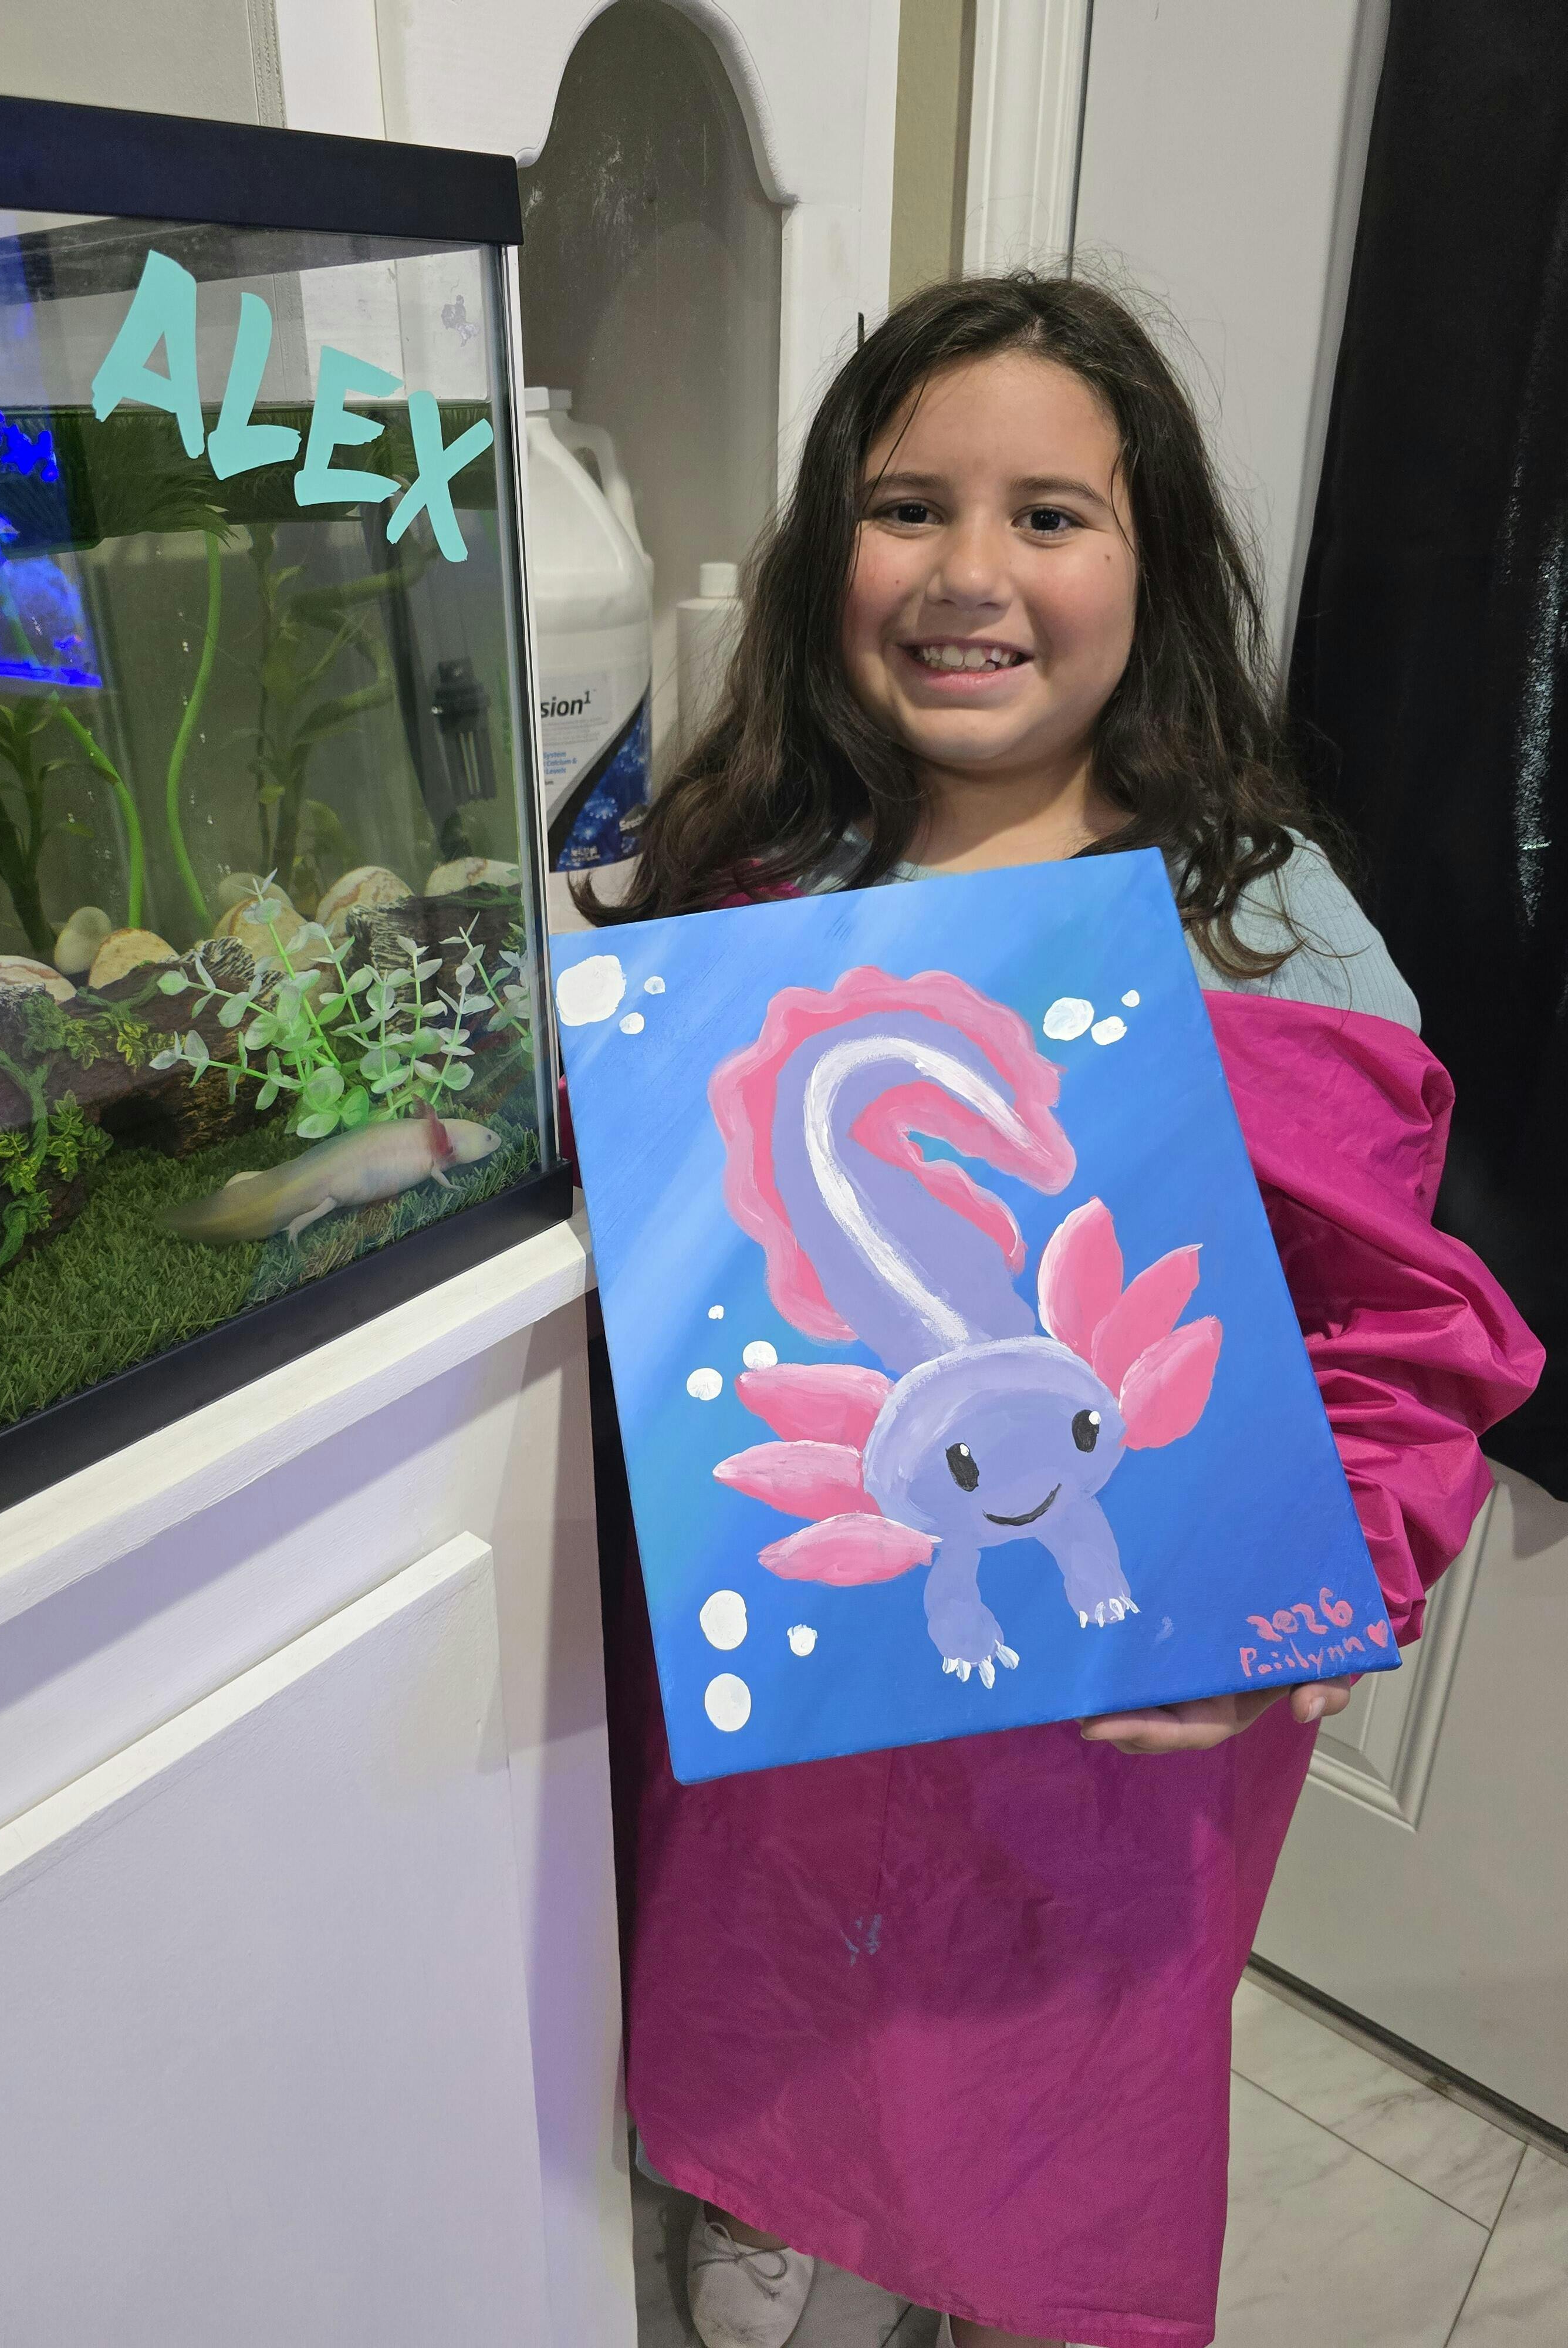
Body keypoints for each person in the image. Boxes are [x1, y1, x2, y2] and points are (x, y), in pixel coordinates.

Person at [573, 275, 1542, 2348]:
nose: (969, 572)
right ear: (831, 548)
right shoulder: (761, 875)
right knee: (773, 2068)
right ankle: (767, 2214)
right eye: (908, 507)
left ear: (1150, 562)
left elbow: (1394, 1330)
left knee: (1036, 2151)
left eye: (1048, 515)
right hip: (787, 1731)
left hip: (1100, 1747)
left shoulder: (1258, 928)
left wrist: (1333, 1581)